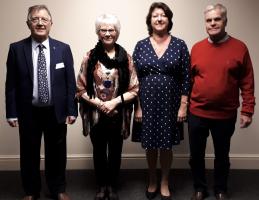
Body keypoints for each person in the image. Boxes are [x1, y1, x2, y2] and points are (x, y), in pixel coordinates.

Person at [5, 5, 78, 200]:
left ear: (51, 23)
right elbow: (10, 84)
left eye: (44, 19)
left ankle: (58, 189)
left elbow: (71, 82)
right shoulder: (16, 49)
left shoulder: (63, 48)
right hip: (28, 111)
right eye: (35, 19)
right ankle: (31, 191)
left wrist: (72, 110)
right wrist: (11, 112)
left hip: (56, 111)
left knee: (57, 153)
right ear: (28, 23)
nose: (40, 22)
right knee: (29, 153)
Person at [188, 3, 255, 200]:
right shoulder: (197, 48)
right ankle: (199, 188)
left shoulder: (240, 47)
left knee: (222, 156)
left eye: (217, 19)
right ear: (205, 23)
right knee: (196, 156)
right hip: (197, 112)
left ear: (225, 21)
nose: (213, 23)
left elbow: (247, 81)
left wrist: (247, 110)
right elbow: (190, 81)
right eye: (209, 20)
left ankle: (220, 189)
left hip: (225, 114)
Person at [76, 14, 138, 200]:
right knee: (99, 150)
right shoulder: (90, 56)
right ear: (98, 33)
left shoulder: (126, 58)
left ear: (117, 32)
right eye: (103, 30)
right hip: (96, 113)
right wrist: (100, 104)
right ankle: (101, 185)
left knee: (116, 150)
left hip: (118, 112)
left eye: (111, 30)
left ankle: (112, 185)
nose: (108, 33)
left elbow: (134, 89)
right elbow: (80, 88)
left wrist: (113, 102)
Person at [133, 2, 191, 200]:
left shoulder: (180, 44)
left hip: (171, 103)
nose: (159, 18)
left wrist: (183, 106)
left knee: (166, 145)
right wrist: (137, 107)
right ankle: (152, 180)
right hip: (146, 102)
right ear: (150, 20)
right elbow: (134, 80)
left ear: (169, 19)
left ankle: (165, 181)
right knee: (150, 144)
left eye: (163, 15)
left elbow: (186, 77)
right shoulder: (141, 45)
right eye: (155, 15)